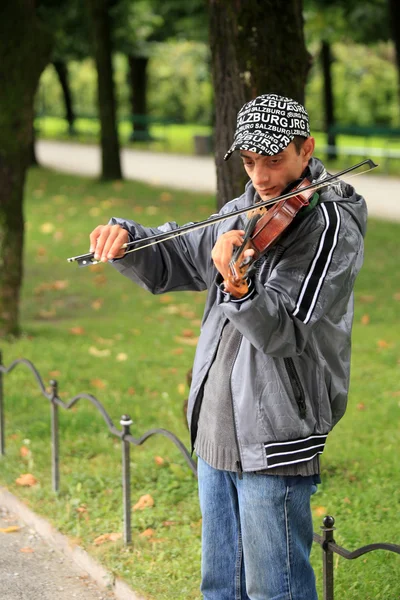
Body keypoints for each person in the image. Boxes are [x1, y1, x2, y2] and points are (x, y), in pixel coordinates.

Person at [89, 94, 367, 600]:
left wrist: (240, 289)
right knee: (220, 589)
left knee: (273, 592)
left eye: (274, 160)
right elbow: (175, 255)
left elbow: (286, 331)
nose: (260, 177)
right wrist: (128, 237)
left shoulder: (329, 227)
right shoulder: (242, 211)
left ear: (306, 151)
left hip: (276, 436)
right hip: (216, 431)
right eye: (249, 161)